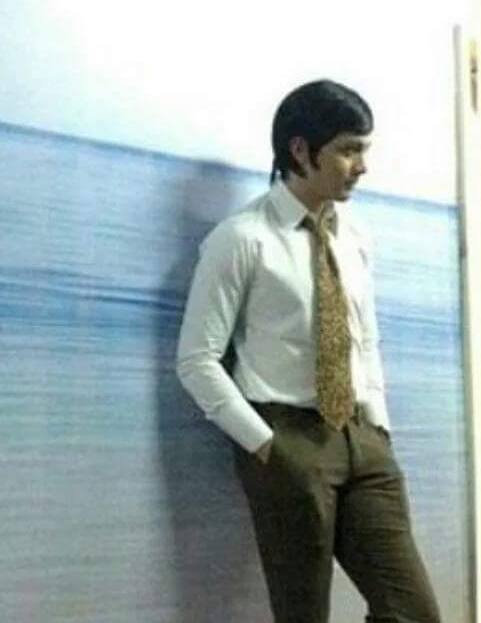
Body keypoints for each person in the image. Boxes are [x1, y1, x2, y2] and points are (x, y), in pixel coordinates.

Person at [176, 80, 441, 623]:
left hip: (362, 441)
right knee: (303, 615)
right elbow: (196, 359)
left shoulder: (356, 236)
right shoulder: (242, 239)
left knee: (413, 612)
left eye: (363, 150)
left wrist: (378, 423)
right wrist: (265, 445)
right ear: (300, 150)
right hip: (287, 440)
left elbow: (365, 337)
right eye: (348, 150)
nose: (362, 166)